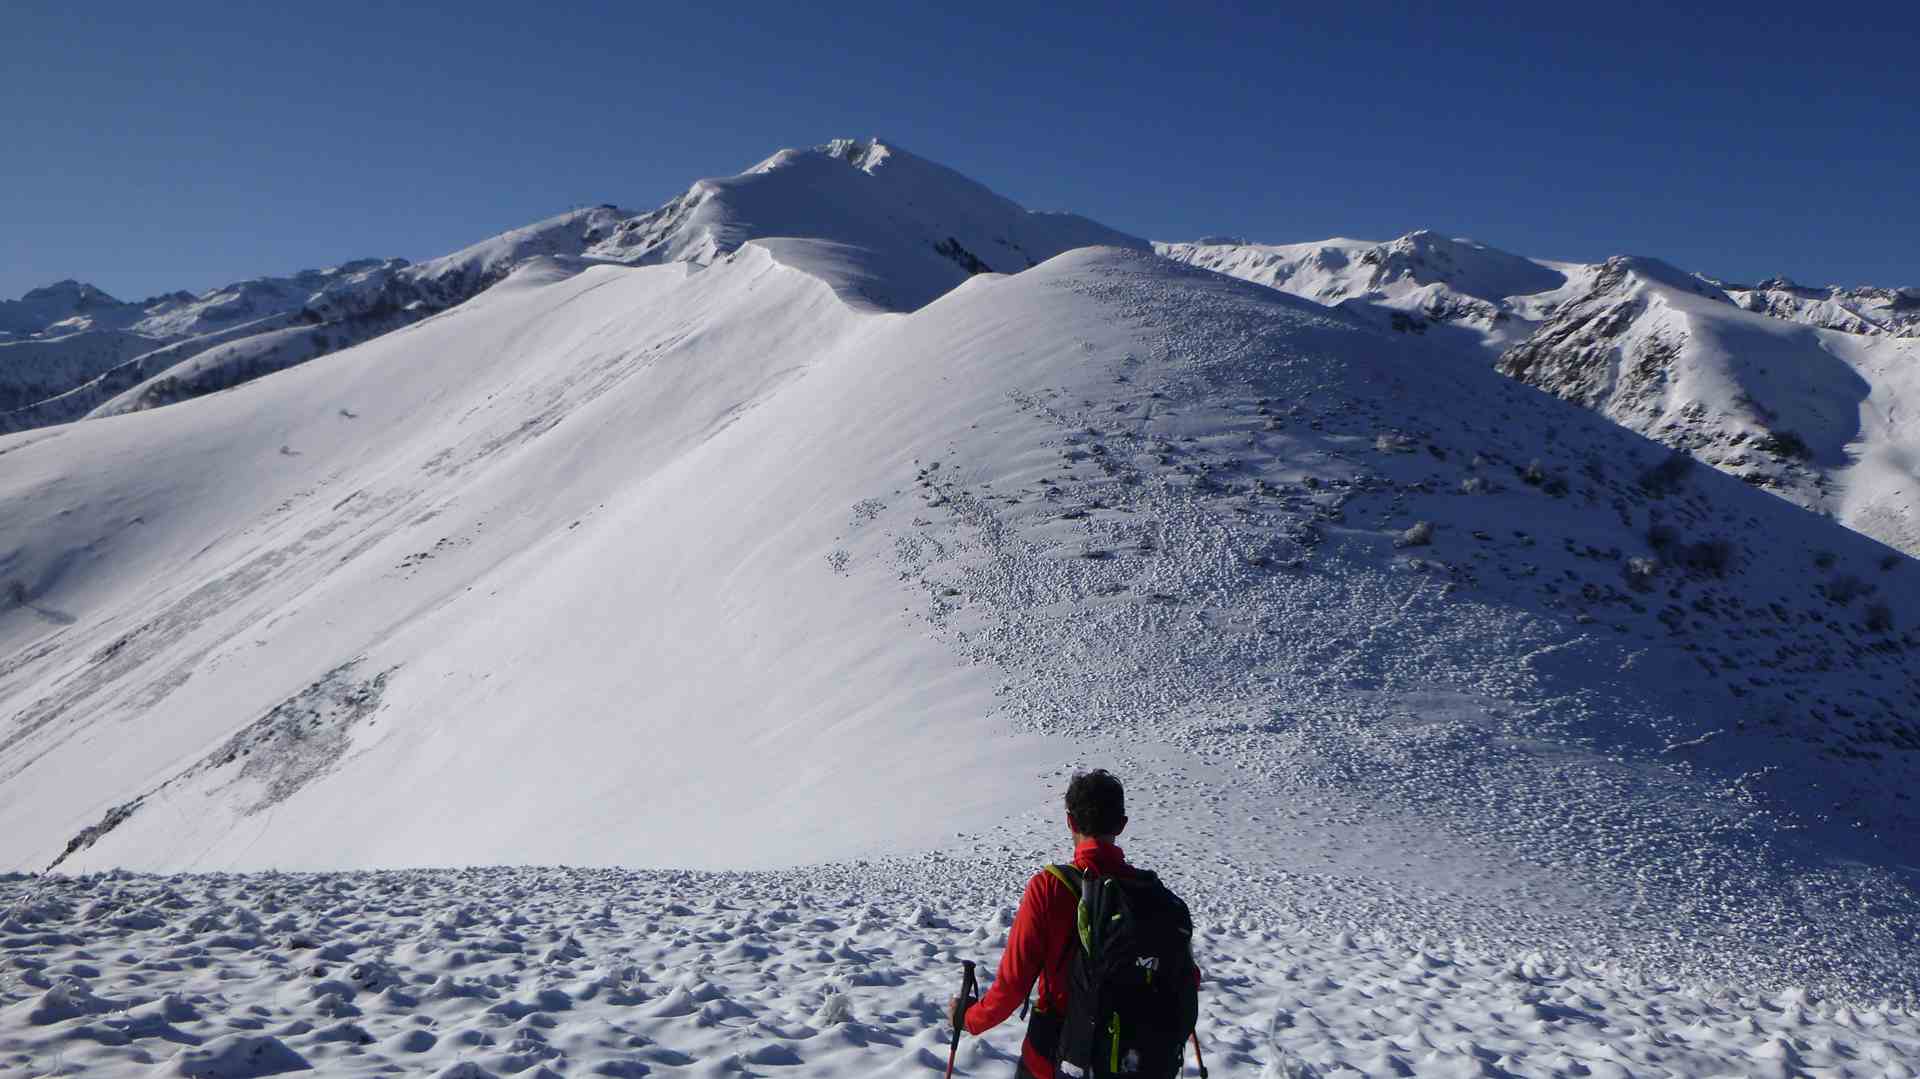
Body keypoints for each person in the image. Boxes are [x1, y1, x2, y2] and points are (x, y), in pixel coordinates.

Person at [949, 769, 1191, 1079]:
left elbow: (1012, 987)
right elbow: (1184, 979)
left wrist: (968, 1019)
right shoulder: (1153, 899)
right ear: (1122, 825)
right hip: (1140, 1061)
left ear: (1070, 822)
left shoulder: (1050, 888)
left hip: (1056, 1058)